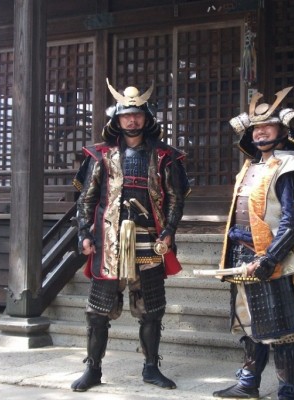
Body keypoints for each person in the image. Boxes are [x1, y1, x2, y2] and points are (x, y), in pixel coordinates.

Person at [71, 80, 190, 392]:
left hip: (149, 239)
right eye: (126, 116)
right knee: (97, 312)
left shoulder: (165, 156)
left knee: (151, 309)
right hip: (108, 241)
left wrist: (168, 231)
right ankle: (93, 369)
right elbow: (85, 199)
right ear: (117, 120)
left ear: (146, 118)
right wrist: (83, 232)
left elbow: (176, 199)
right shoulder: (100, 155)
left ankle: (151, 368)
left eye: (137, 115)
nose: (132, 120)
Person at [213, 87, 294, 400]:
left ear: (284, 132)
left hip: (272, 257)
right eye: (256, 128)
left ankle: (286, 392)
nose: (260, 132)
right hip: (241, 254)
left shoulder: (292, 168)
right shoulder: (249, 168)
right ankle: (248, 383)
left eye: (267, 127)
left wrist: (271, 257)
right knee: (249, 322)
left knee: (282, 329)